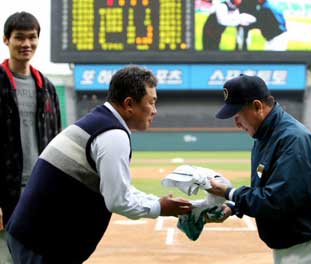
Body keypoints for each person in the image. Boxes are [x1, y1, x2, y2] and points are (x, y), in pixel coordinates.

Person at [6, 65, 192, 263]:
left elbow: (118, 188)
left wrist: (155, 200)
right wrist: (159, 207)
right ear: (129, 104)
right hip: (41, 245)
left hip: (32, 236)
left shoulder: (100, 122)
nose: (154, 111)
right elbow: (117, 200)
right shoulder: (113, 134)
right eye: (151, 103)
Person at [207, 74, 311, 263]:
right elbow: (266, 188)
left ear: (258, 106)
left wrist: (230, 193)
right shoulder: (265, 136)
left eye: (238, 113)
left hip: (310, 244)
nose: (236, 121)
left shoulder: (293, 139)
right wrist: (233, 207)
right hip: (293, 242)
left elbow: (278, 201)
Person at [0, 11, 61, 263]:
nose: (26, 44)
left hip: (40, 188)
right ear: (6, 40)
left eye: (32, 38)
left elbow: (58, 143)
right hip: (6, 191)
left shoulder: (47, 88)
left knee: (38, 257)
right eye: (19, 38)